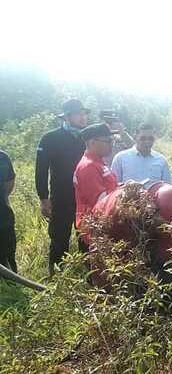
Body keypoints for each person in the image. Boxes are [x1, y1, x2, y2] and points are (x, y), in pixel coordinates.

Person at [35, 99, 89, 275]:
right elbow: (41, 170)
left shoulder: (87, 138)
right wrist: (44, 198)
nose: (83, 117)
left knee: (86, 238)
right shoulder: (50, 139)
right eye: (78, 114)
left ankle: (87, 277)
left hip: (86, 198)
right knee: (59, 239)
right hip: (61, 197)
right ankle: (56, 279)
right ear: (66, 117)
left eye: (84, 113)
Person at [73, 123, 119, 247]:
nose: (111, 144)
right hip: (94, 230)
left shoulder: (99, 162)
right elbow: (101, 202)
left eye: (112, 141)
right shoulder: (88, 166)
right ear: (93, 143)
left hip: (105, 225)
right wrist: (123, 194)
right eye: (108, 141)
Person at [111, 123, 172, 187]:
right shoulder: (120, 158)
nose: (147, 141)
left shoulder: (161, 160)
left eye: (150, 138)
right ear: (135, 137)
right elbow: (113, 186)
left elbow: (167, 187)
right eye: (143, 138)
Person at [0, 150, 17, 273]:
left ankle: (12, 287)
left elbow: (9, 184)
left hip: (3, 218)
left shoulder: (3, 158)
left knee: (8, 255)